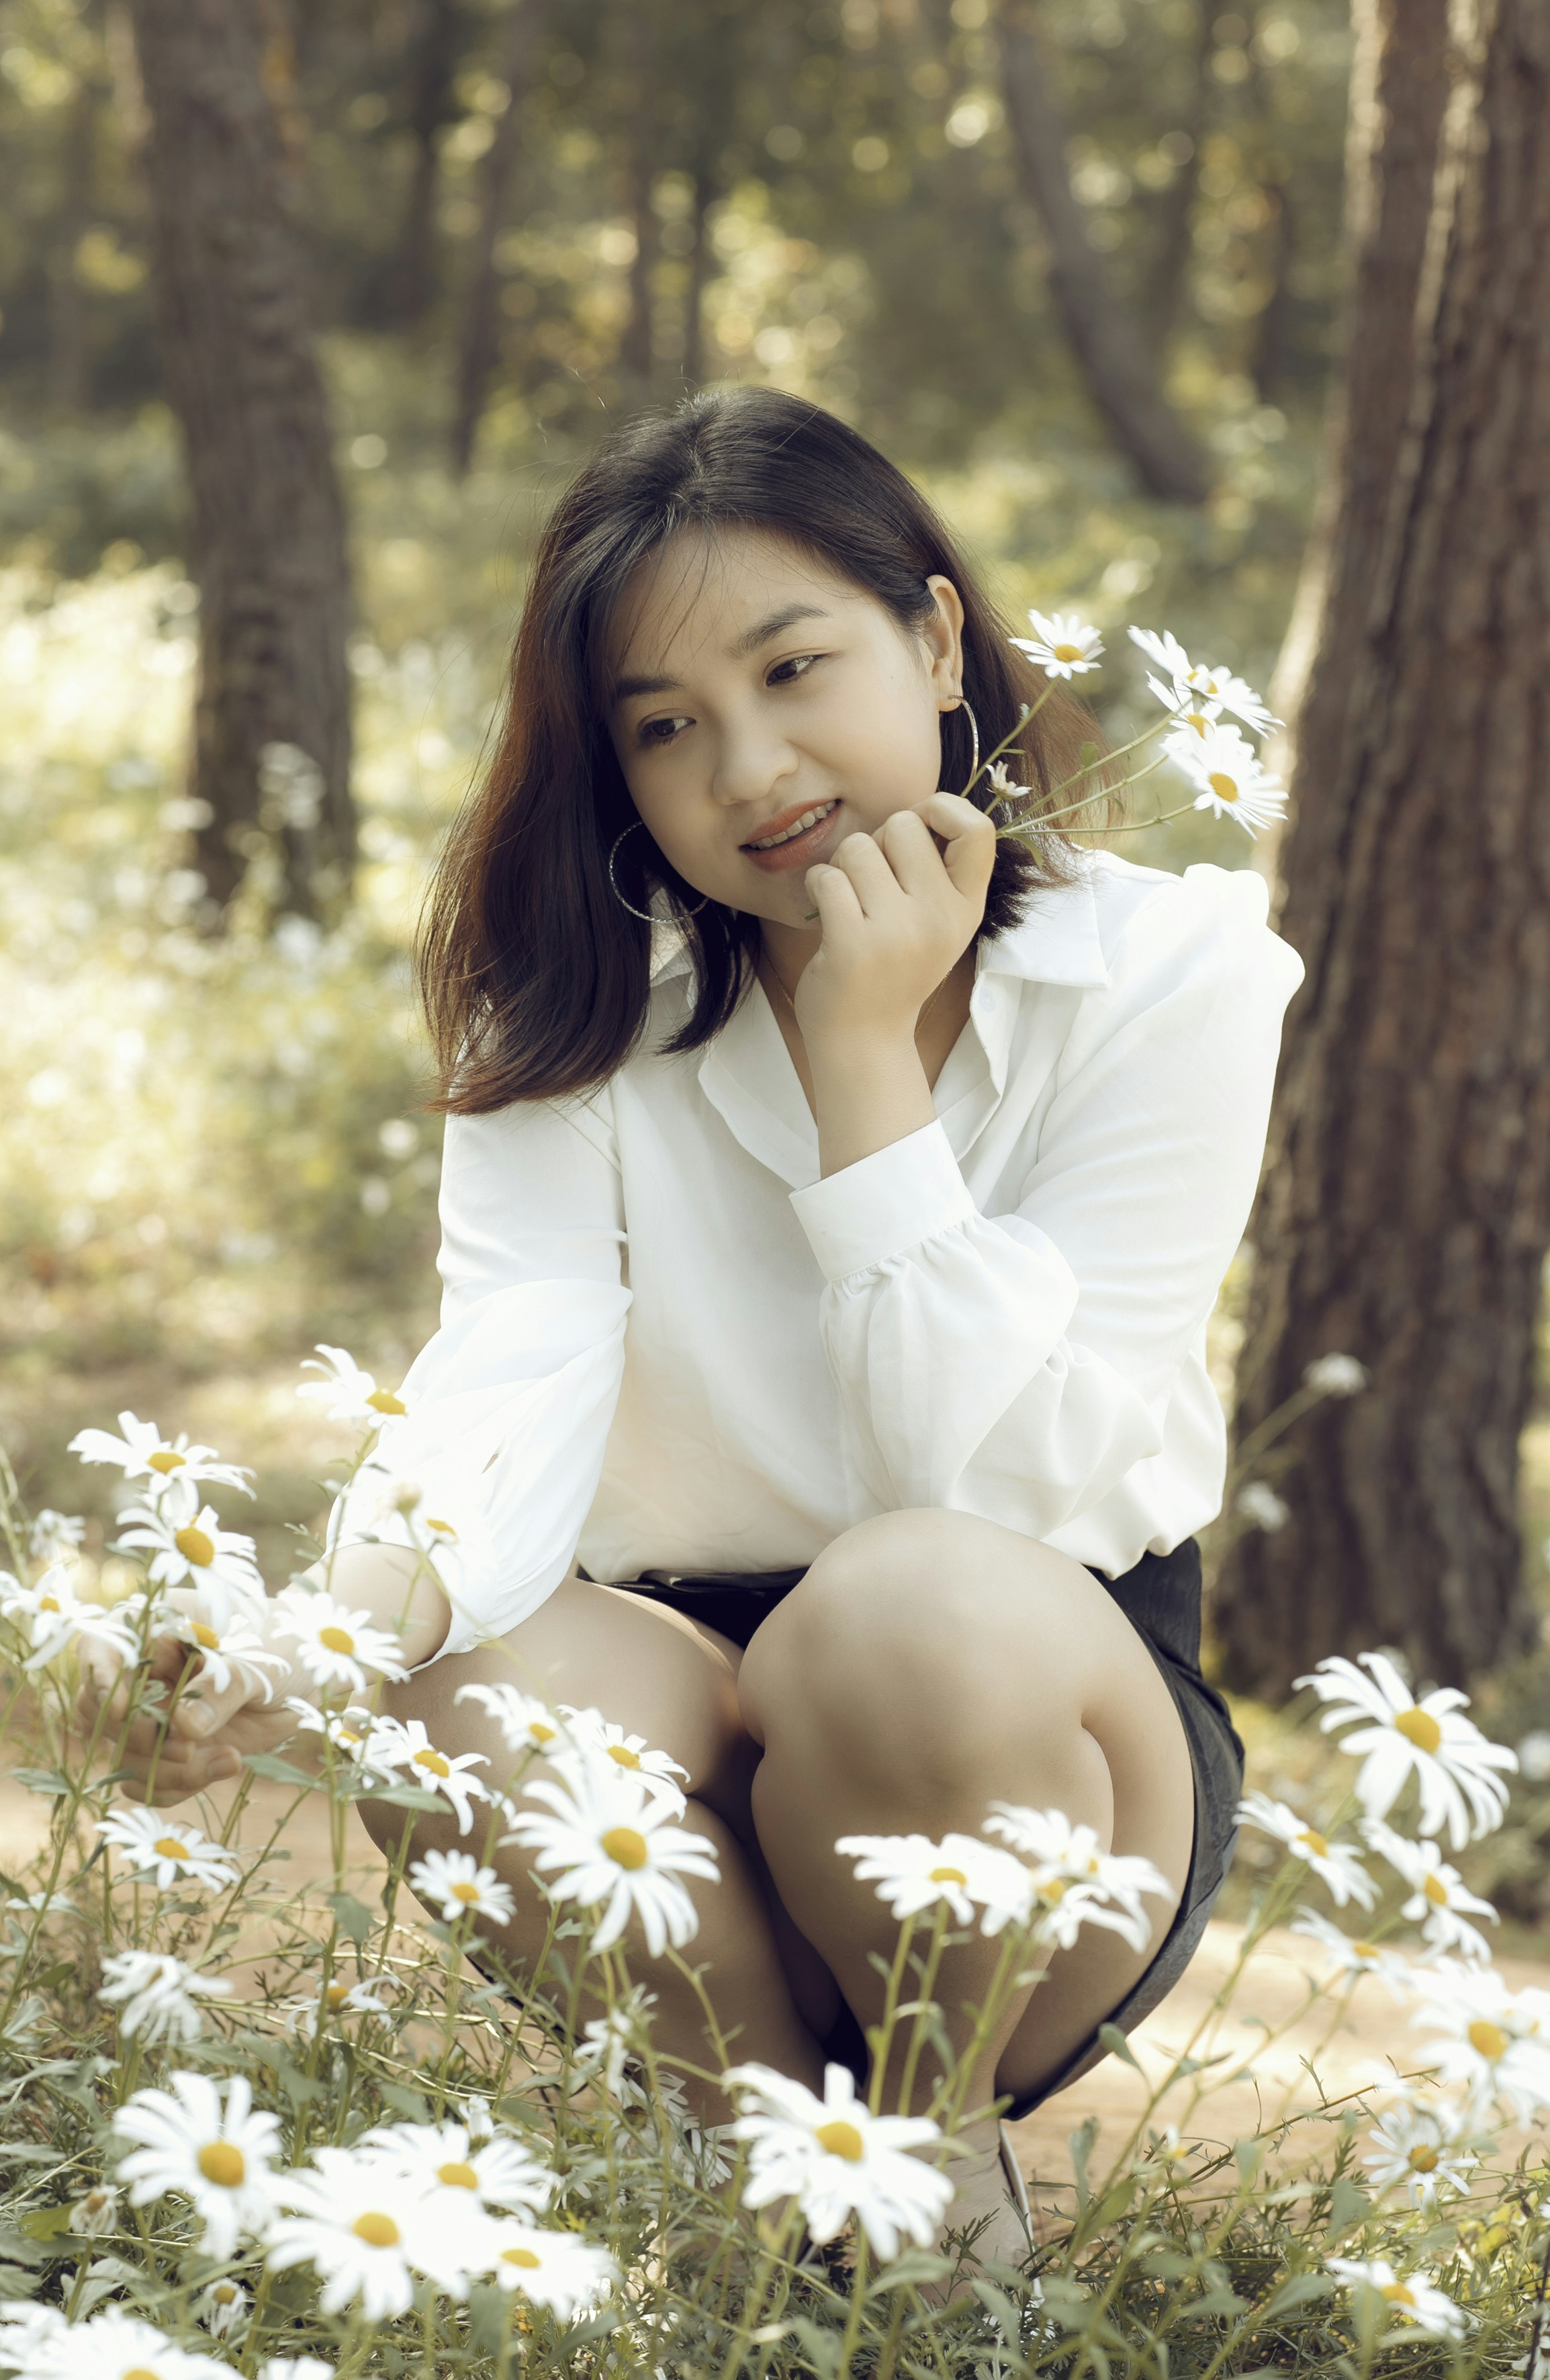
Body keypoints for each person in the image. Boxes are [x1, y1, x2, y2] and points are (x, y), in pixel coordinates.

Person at [89, 388, 1304, 2266]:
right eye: (667, 730)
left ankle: (924, 2165)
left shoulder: (1168, 977)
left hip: (1030, 1730)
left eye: (793, 666)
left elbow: (991, 1487)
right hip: (685, 1733)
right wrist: (304, 1642)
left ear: (931, 632)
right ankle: (770, 2178)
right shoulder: (585, 1022)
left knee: (904, 1597)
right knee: (454, 1674)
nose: (753, 771)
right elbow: (502, 1383)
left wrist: (861, 1089)